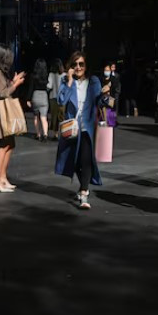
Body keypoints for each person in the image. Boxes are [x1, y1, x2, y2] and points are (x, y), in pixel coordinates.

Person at [55, 51, 110, 210]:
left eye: (81, 64)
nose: (78, 67)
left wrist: (106, 95)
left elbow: (101, 103)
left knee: (86, 158)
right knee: (76, 160)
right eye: (75, 64)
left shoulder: (93, 81)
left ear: (86, 66)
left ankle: (84, 193)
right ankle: (82, 187)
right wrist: (70, 80)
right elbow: (61, 100)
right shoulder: (66, 80)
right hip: (72, 127)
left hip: (87, 127)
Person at [0, 44, 26, 192]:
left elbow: (3, 88)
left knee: (10, 143)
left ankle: (2, 177)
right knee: (3, 144)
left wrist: (12, 81)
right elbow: (3, 93)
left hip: (5, 109)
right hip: (2, 110)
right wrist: (15, 84)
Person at [26, 58, 50, 141]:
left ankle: (38, 134)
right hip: (44, 96)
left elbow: (30, 88)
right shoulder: (46, 76)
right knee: (44, 117)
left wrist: (28, 99)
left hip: (35, 95)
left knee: (36, 117)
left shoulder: (33, 76)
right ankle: (46, 134)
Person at [47, 58, 64, 140]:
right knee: (61, 116)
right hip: (62, 98)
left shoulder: (51, 74)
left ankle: (55, 134)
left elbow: (49, 86)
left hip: (53, 97)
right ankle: (62, 132)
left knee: (54, 117)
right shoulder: (64, 75)